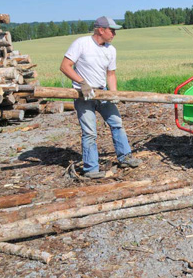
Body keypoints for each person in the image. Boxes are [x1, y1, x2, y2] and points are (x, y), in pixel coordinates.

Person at [60, 16, 140, 179]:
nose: (114, 34)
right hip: (83, 95)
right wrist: (82, 83)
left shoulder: (111, 50)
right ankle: (91, 169)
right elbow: (65, 66)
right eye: (112, 30)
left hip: (102, 93)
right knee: (89, 132)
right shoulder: (81, 43)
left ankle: (125, 157)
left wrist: (114, 93)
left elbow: (111, 74)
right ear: (101, 30)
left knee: (117, 123)